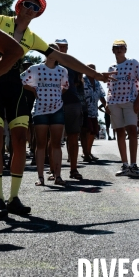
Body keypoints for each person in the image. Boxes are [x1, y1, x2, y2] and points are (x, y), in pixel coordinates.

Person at [0, 0, 113, 215]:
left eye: (36, 7)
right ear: (18, 7)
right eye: (27, 4)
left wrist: (94, 75)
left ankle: (13, 197)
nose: (31, 9)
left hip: (15, 90)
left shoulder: (32, 37)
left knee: (21, 141)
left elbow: (64, 59)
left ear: (37, 14)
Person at [21, 44, 69, 186]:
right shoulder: (35, 68)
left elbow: (65, 86)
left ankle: (58, 175)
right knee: (41, 144)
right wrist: (34, 90)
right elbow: (22, 80)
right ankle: (40, 176)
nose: (52, 53)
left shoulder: (62, 70)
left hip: (57, 109)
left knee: (56, 144)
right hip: (40, 109)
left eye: (55, 51)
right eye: (49, 50)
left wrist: (57, 96)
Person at [104, 40, 139, 177]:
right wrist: (107, 102)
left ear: (125, 49)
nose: (119, 50)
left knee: (132, 131)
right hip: (114, 102)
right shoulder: (111, 67)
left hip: (130, 101)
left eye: (121, 48)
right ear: (112, 50)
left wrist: (138, 101)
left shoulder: (133, 63)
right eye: (116, 48)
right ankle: (124, 164)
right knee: (120, 132)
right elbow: (110, 88)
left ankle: (133, 165)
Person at [56, 39, 86, 180]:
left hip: (72, 102)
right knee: (54, 137)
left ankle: (73, 170)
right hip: (52, 103)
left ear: (67, 48)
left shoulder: (73, 64)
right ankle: (54, 171)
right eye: (58, 46)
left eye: (63, 46)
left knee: (73, 136)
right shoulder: (48, 63)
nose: (61, 49)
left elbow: (78, 82)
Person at [82, 64, 107, 161]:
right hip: (85, 110)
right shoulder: (82, 80)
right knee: (86, 131)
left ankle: (89, 151)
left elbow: (101, 95)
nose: (92, 70)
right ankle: (85, 153)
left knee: (93, 132)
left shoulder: (97, 82)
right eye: (90, 69)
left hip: (94, 111)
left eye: (94, 69)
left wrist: (106, 106)